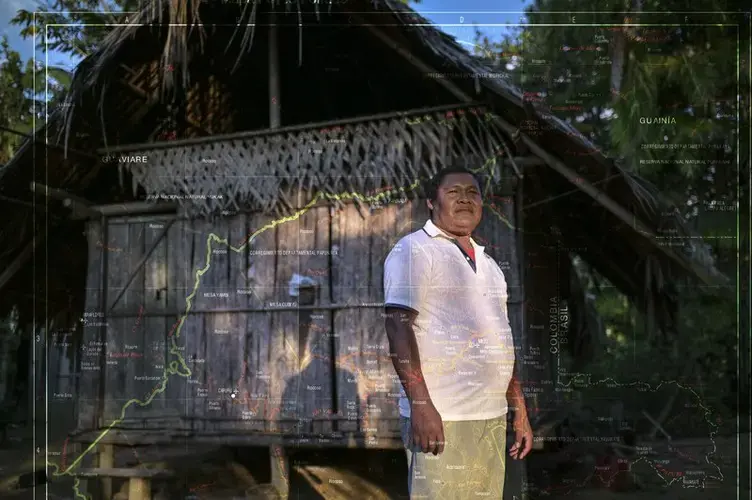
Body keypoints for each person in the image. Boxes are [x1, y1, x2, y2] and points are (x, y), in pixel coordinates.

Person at [383, 165, 533, 499]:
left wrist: (519, 408)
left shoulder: (490, 266)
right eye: (453, 192)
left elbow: (500, 341)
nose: (464, 199)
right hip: (443, 417)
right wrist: (421, 405)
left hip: (490, 415)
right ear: (432, 203)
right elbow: (397, 326)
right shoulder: (414, 250)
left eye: (472, 192)